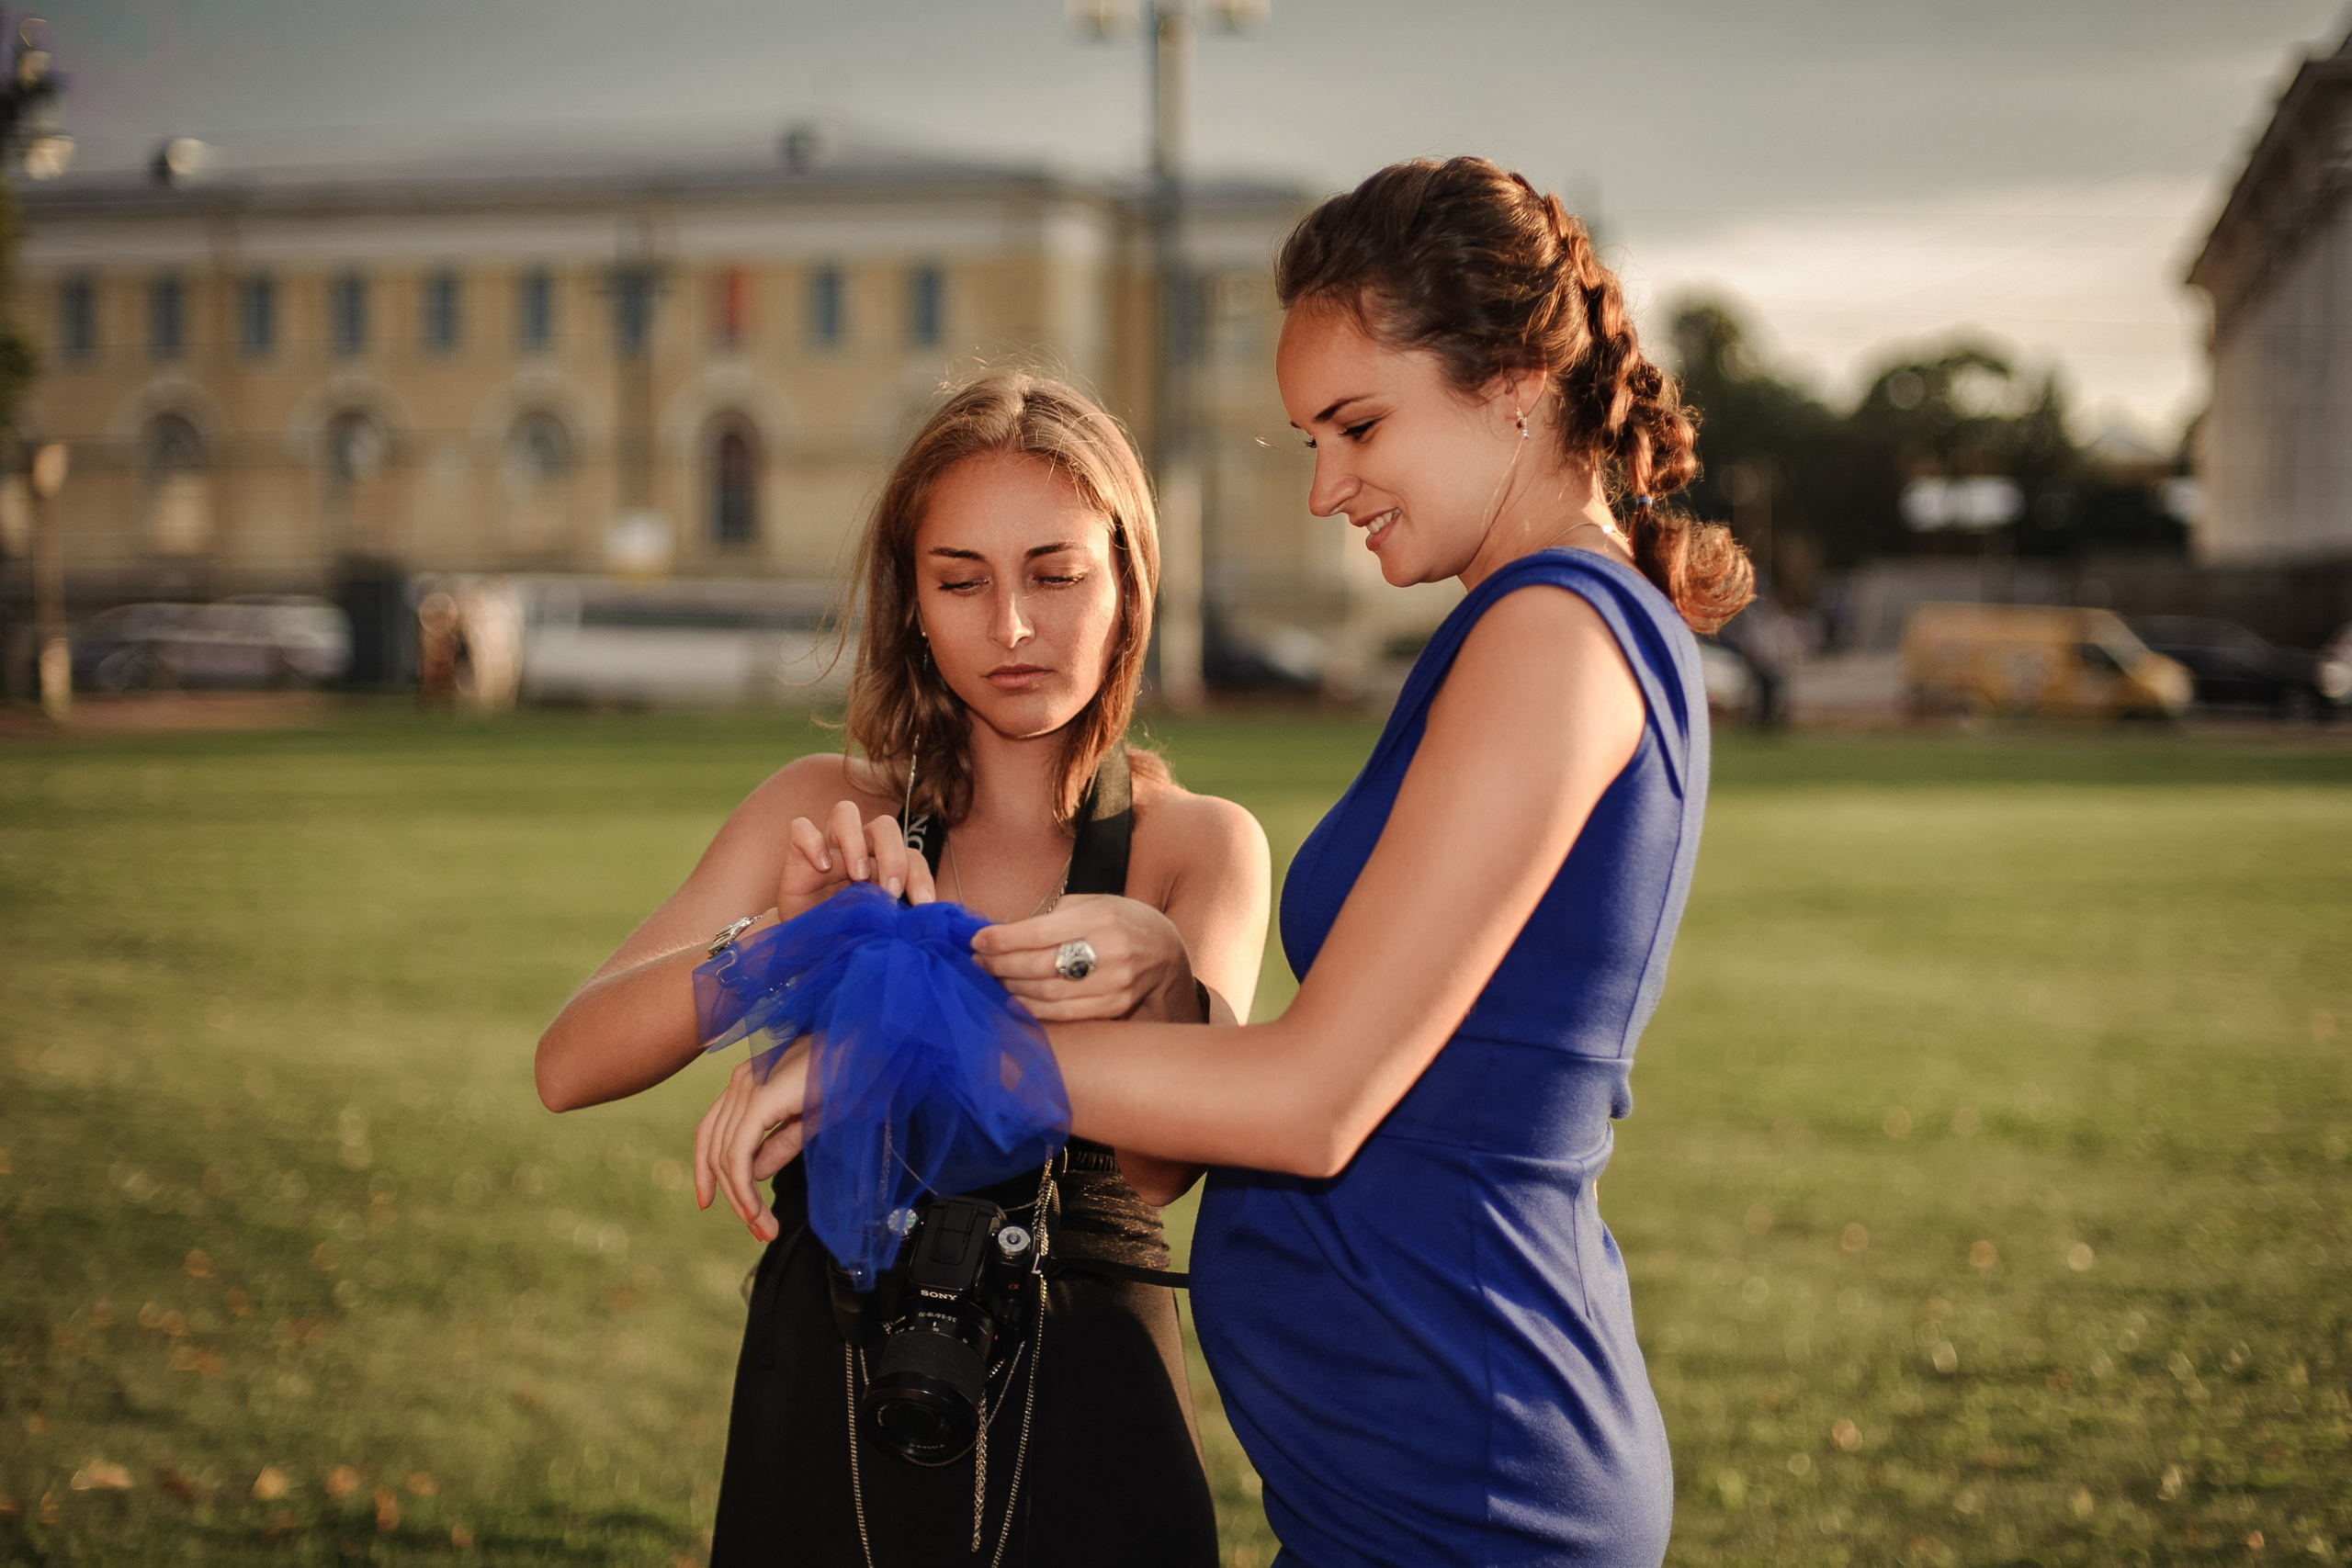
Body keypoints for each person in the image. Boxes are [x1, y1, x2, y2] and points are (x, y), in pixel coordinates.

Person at [697, 159, 1754, 1567]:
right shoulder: (1537, 628)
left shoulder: (1553, 638)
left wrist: (912, 1052)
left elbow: (1314, 1100)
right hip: (1411, 1458)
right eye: (1310, 438)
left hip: (1475, 1466)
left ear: (1512, 382)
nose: (1325, 488)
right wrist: (1161, 997)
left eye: (1358, 426)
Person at [540, 371, 1269, 1567]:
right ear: (912, 601)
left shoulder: (1197, 845)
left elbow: (1160, 1168)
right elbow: (568, 1064)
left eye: (1055, 574)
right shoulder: (822, 805)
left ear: (1129, 582)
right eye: (961, 581)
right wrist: (786, 945)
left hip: (1088, 1423)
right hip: (827, 1402)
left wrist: (877, 1040)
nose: (1012, 625)